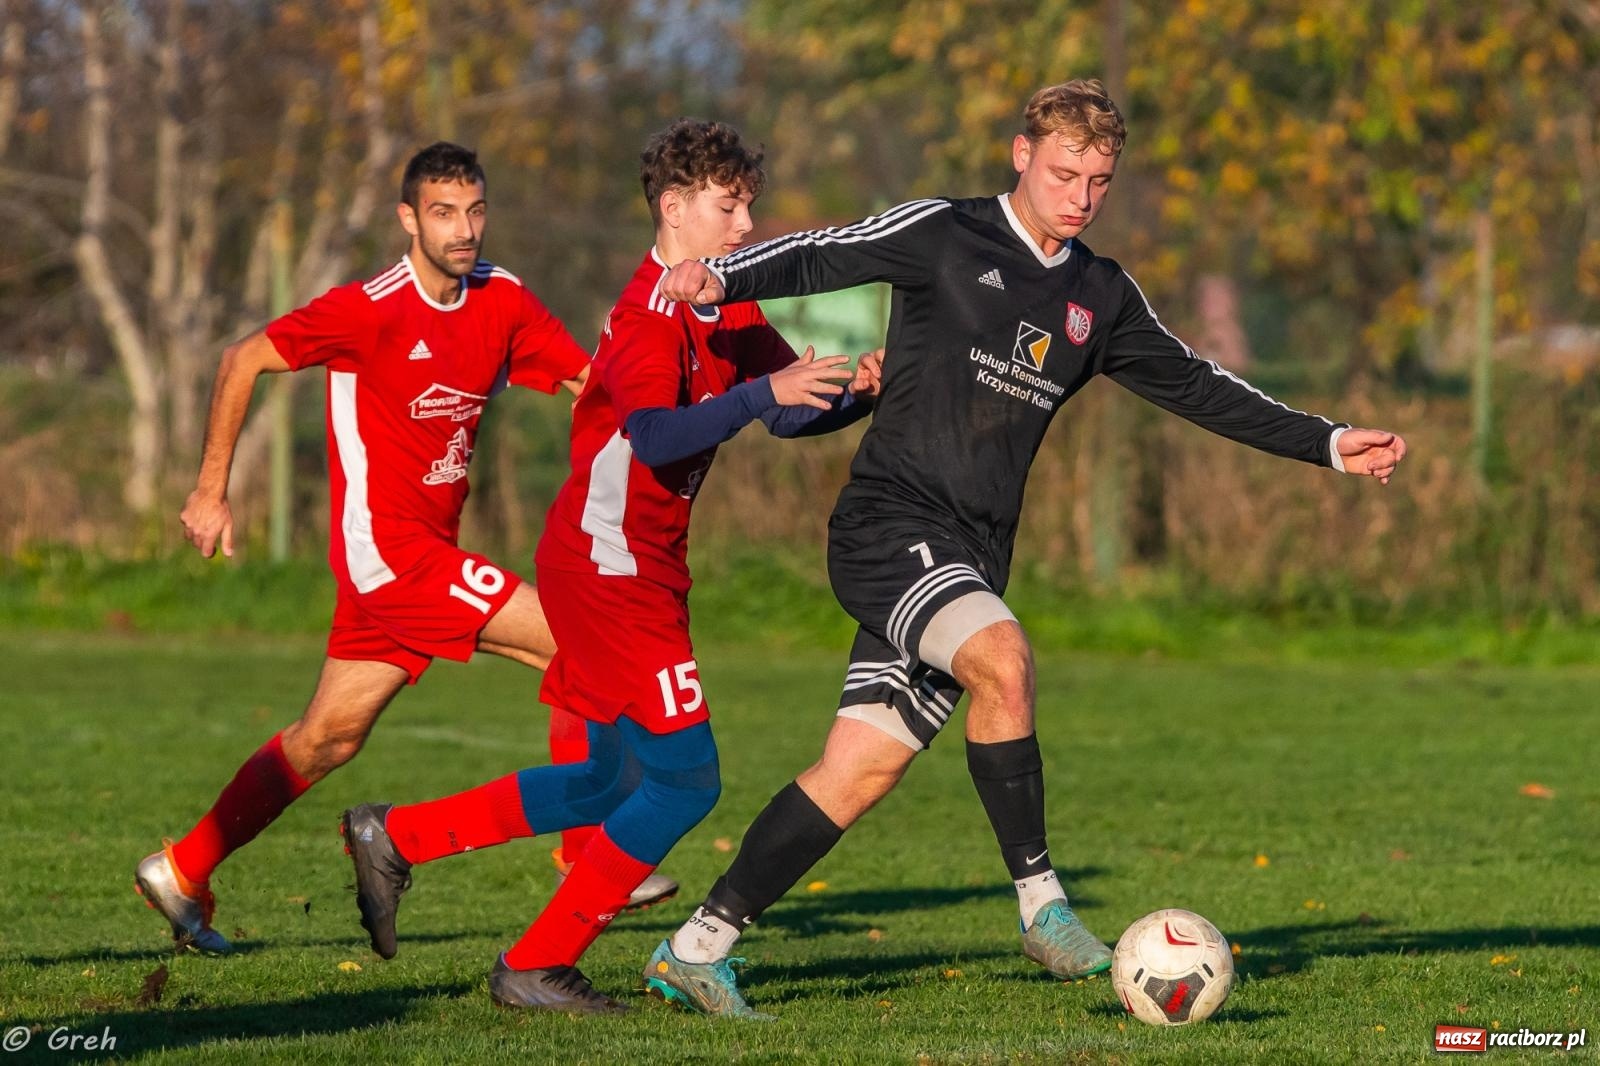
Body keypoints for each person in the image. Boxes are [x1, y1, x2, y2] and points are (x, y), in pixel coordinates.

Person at [642, 79, 1408, 1018]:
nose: (1079, 195)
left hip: (972, 551)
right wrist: (723, 276)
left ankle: (697, 946)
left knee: (860, 769)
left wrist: (1327, 442)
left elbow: (1201, 387)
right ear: (1021, 155)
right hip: (889, 527)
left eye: (1098, 179)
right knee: (1002, 659)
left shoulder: (1100, 294)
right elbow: (821, 253)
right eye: (1063, 172)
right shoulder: (946, 232)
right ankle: (1042, 906)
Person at [339, 118, 882, 1012]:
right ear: (674, 207)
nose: (745, 224)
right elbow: (657, 432)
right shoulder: (646, 315)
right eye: (728, 205)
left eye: (748, 204)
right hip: (611, 573)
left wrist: (853, 391)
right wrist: (761, 394)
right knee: (688, 781)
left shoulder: (724, 302)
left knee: (610, 781)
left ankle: (397, 836)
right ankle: (537, 962)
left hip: (631, 566)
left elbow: (785, 411)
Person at [130, 142, 687, 954]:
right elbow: (242, 357)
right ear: (408, 218)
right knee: (582, 641)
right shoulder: (369, 308)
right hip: (389, 556)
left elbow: (587, 389)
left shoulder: (503, 300)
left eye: (474, 210)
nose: (463, 229)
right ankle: (587, 854)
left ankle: (182, 869)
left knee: (327, 738)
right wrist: (211, 490)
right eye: (442, 212)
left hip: (415, 561)